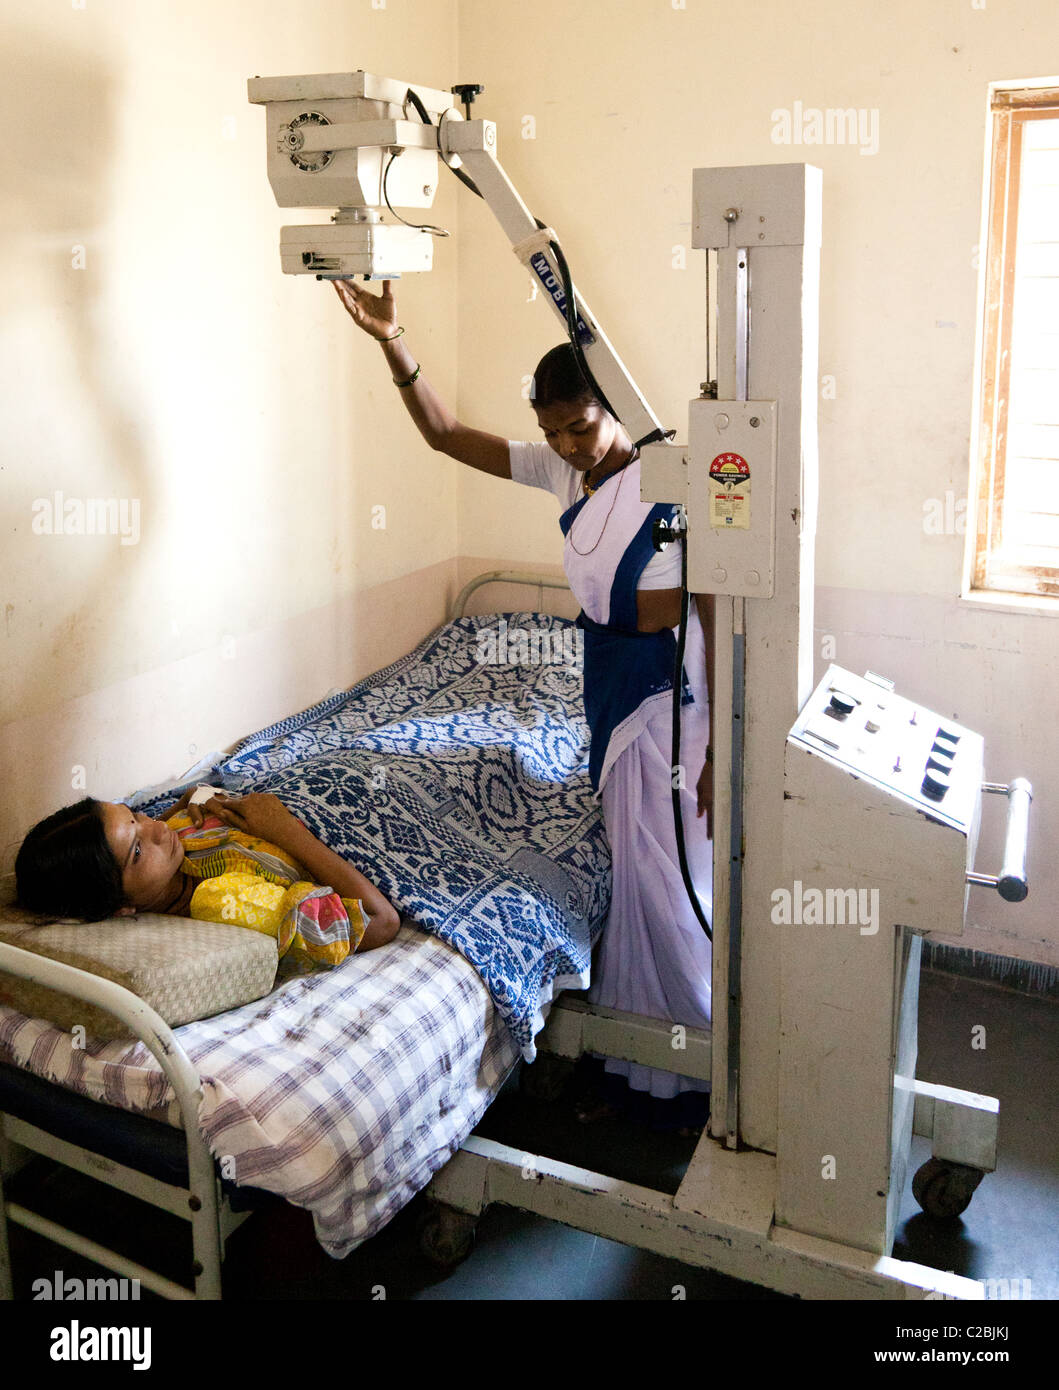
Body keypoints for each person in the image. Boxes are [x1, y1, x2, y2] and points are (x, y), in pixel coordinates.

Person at [333, 277, 714, 1130]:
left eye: (580, 426)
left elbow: (715, 607)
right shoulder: (561, 474)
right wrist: (393, 341)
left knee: (669, 874)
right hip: (607, 683)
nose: (568, 445)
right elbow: (442, 435)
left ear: (611, 406)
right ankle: (644, 1056)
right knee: (639, 869)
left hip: (665, 690)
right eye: (552, 431)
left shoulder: (669, 479)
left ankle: (698, 1061)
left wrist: (722, 742)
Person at [14, 789, 401, 966]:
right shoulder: (223, 903)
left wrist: (194, 799)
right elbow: (379, 922)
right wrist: (286, 830)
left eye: (134, 815)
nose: (155, 829)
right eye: (136, 851)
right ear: (121, 907)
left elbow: (178, 811)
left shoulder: (166, 849)